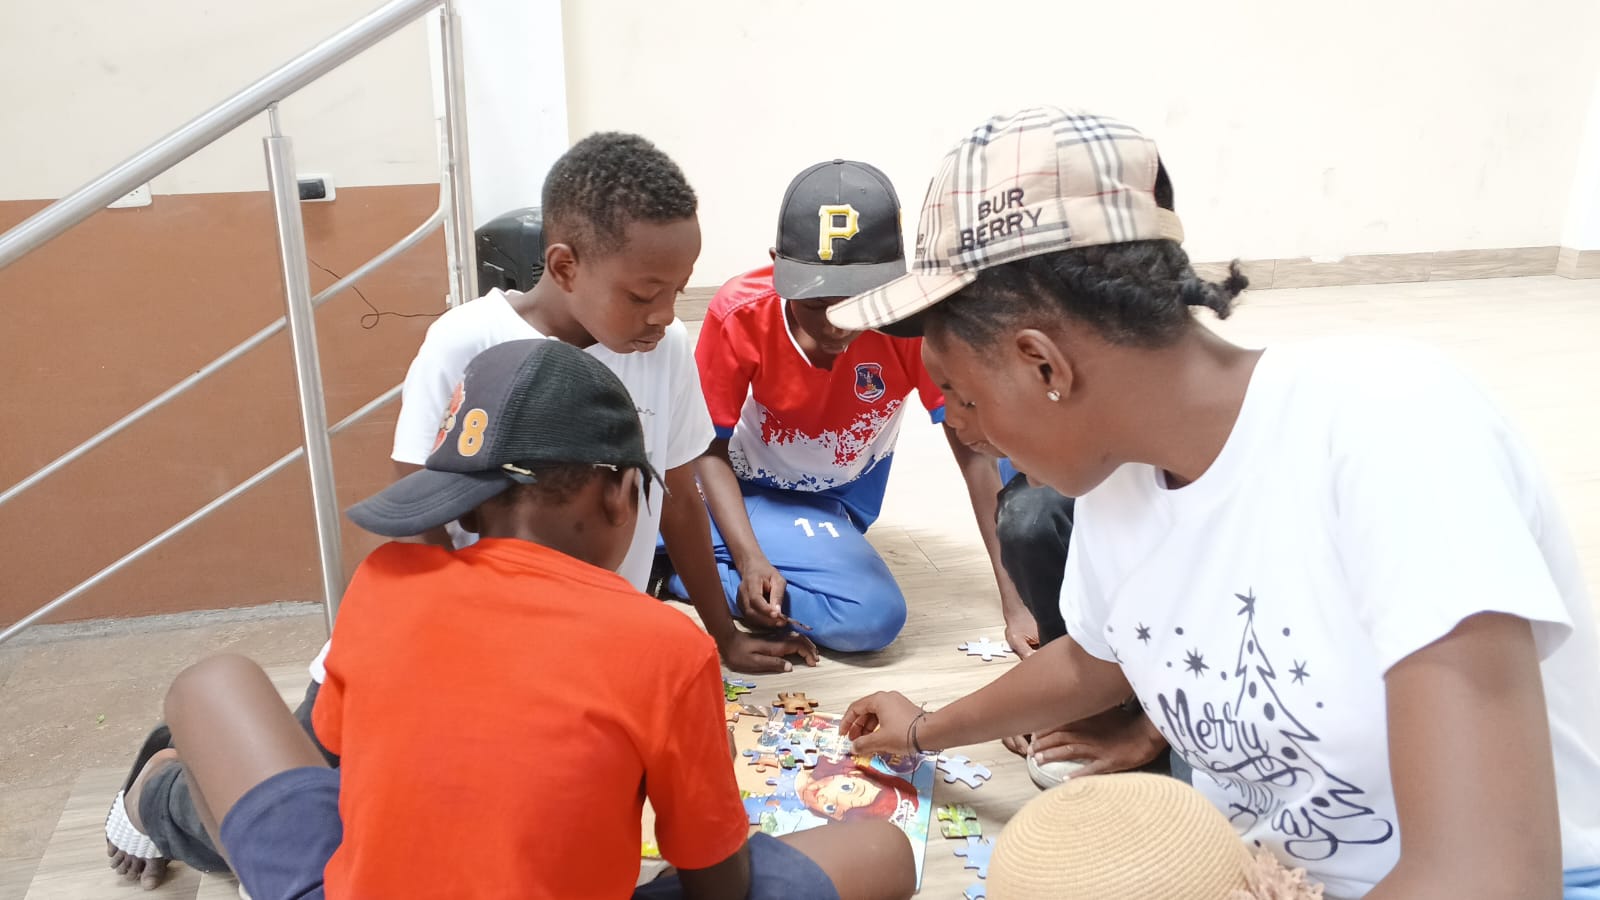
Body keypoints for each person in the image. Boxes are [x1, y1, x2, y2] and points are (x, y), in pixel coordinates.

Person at [836, 106, 1600, 898]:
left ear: (1044, 364)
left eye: (960, 396)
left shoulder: (1393, 422)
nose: (963, 428)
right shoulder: (1117, 481)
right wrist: (924, 730)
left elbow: (1488, 876)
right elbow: (1098, 658)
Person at [104, 131, 815, 891]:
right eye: (644, 294)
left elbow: (678, 497)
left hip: (571, 664)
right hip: (426, 661)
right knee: (309, 824)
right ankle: (162, 792)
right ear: (564, 266)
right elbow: (416, 522)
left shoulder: (664, 349)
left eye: (679, 290)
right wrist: (459, 679)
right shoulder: (465, 342)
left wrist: (722, 632)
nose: (664, 314)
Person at [117, 339, 917, 900]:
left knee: (213, 684)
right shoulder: (667, 645)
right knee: (882, 850)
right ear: (620, 494)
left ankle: (157, 794)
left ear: (471, 502)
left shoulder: (386, 579)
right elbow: (720, 886)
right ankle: (171, 801)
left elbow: (343, 778)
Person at [684, 159, 1016, 652]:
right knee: (871, 613)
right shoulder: (740, 312)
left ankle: (688, 558)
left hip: (836, 507)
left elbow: (977, 454)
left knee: (870, 617)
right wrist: (750, 559)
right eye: (815, 304)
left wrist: (1017, 602)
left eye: (856, 304)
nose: (835, 325)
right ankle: (690, 567)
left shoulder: (909, 323)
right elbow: (707, 448)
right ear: (779, 268)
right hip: (743, 493)